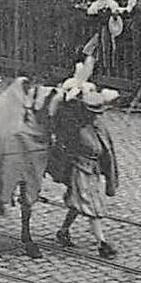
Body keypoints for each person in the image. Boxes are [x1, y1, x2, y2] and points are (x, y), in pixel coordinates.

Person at [54, 88, 120, 258]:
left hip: (94, 171)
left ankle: (63, 230)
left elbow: (106, 149)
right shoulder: (74, 127)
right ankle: (102, 243)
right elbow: (65, 148)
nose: (96, 115)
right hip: (80, 170)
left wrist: (108, 171)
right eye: (92, 112)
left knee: (78, 204)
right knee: (92, 205)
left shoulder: (98, 126)